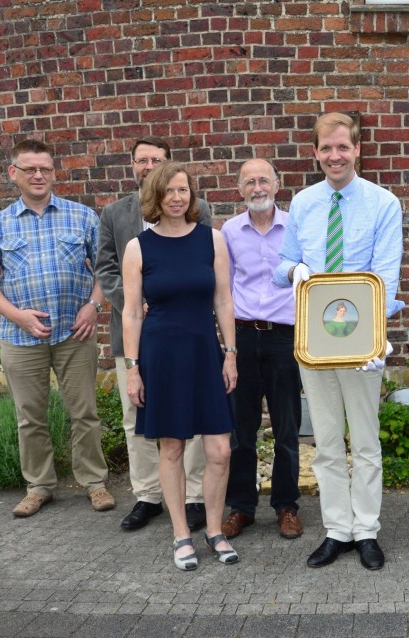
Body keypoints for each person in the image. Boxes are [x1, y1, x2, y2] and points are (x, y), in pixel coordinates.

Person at [274, 112, 403, 571]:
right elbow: (283, 263)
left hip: (360, 343)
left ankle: (366, 530)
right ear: (315, 153)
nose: (335, 156)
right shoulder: (303, 203)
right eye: (326, 149)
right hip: (314, 342)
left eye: (343, 147)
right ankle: (336, 530)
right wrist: (295, 272)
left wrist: (376, 339)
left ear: (357, 149)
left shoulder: (383, 203)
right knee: (327, 441)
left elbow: (385, 279)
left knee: (365, 441)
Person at [0, 139, 114, 517]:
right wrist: (17, 315)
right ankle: (39, 486)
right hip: (20, 338)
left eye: (44, 169)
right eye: (29, 168)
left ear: (54, 172)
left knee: (85, 414)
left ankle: (95, 483)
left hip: (74, 334)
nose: (37, 175)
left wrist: (93, 306)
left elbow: (105, 269)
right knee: (30, 417)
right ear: (13, 173)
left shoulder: (81, 217)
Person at [121, 161, 238, 571]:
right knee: (171, 447)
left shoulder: (213, 240)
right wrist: (133, 368)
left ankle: (213, 530)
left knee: (220, 450)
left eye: (183, 190)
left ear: (192, 196)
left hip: (206, 352)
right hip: (161, 355)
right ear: (156, 196)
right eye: (169, 191)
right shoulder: (139, 247)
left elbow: (224, 301)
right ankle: (181, 535)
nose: (177, 197)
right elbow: (132, 312)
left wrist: (230, 353)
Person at [96, 137, 212, 533]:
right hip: (135, 334)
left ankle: (194, 495)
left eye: (157, 160)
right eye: (142, 160)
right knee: (138, 419)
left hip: (187, 334)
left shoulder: (199, 211)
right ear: (132, 166)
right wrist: (135, 299)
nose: (149, 166)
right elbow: (106, 268)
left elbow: (202, 264)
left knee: (191, 418)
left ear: (168, 166)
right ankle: (147, 496)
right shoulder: (114, 214)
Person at [220, 158, 304, 541]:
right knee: (242, 430)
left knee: (287, 427)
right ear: (239, 189)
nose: (258, 187)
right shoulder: (229, 232)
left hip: (285, 337)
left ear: (277, 183)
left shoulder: (296, 227)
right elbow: (224, 291)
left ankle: (286, 506)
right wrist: (230, 350)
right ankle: (241, 507)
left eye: (264, 180)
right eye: (249, 181)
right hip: (243, 336)